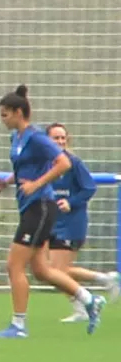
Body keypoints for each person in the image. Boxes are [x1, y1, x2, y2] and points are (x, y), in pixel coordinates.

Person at [0, 86, 104, 338]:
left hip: (40, 207)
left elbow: (63, 162)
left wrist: (37, 184)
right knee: (41, 270)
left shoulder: (38, 137)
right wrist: (7, 182)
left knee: (14, 265)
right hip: (30, 207)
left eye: (5, 114)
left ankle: (18, 326)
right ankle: (90, 300)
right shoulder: (17, 138)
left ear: (19, 113)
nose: (2, 119)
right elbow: (25, 169)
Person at [42, 123, 119, 323]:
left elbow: (89, 188)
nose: (60, 141)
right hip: (53, 223)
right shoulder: (44, 164)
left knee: (55, 272)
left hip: (72, 224)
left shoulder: (73, 163)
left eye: (62, 138)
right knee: (54, 272)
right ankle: (97, 289)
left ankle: (94, 294)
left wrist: (71, 202)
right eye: (55, 138)